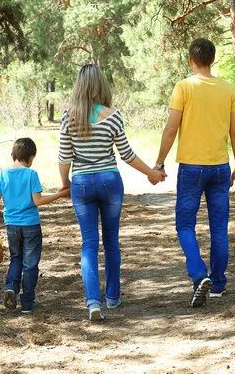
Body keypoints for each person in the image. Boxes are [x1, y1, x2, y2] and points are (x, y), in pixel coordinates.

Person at [58, 64, 166, 321]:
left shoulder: (68, 117)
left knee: (88, 244)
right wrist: (151, 173)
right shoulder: (113, 115)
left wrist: (65, 183)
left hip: (81, 183)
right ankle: (114, 297)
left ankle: (93, 302)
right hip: (110, 181)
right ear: (101, 86)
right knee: (111, 241)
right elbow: (126, 155)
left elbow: (64, 157)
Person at [153, 38, 235, 308]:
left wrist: (159, 163)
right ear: (212, 60)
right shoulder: (227, 88)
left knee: (184, 225)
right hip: (219, 168)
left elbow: (171, 128)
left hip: (191, 169)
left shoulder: (183, 87)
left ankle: (198, 275)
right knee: (219, 227)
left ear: (190, 60)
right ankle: (217, 284)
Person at [0, 138, 69, 314]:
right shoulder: (31, 174)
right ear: (32, 157)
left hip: (11, 226)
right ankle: (27, 302)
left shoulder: (2, 175)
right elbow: (38, 201)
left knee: (16, 259)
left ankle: (11, 288)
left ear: (12, 155)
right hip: (31, 226)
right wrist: (60, 195)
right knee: (30, 265)